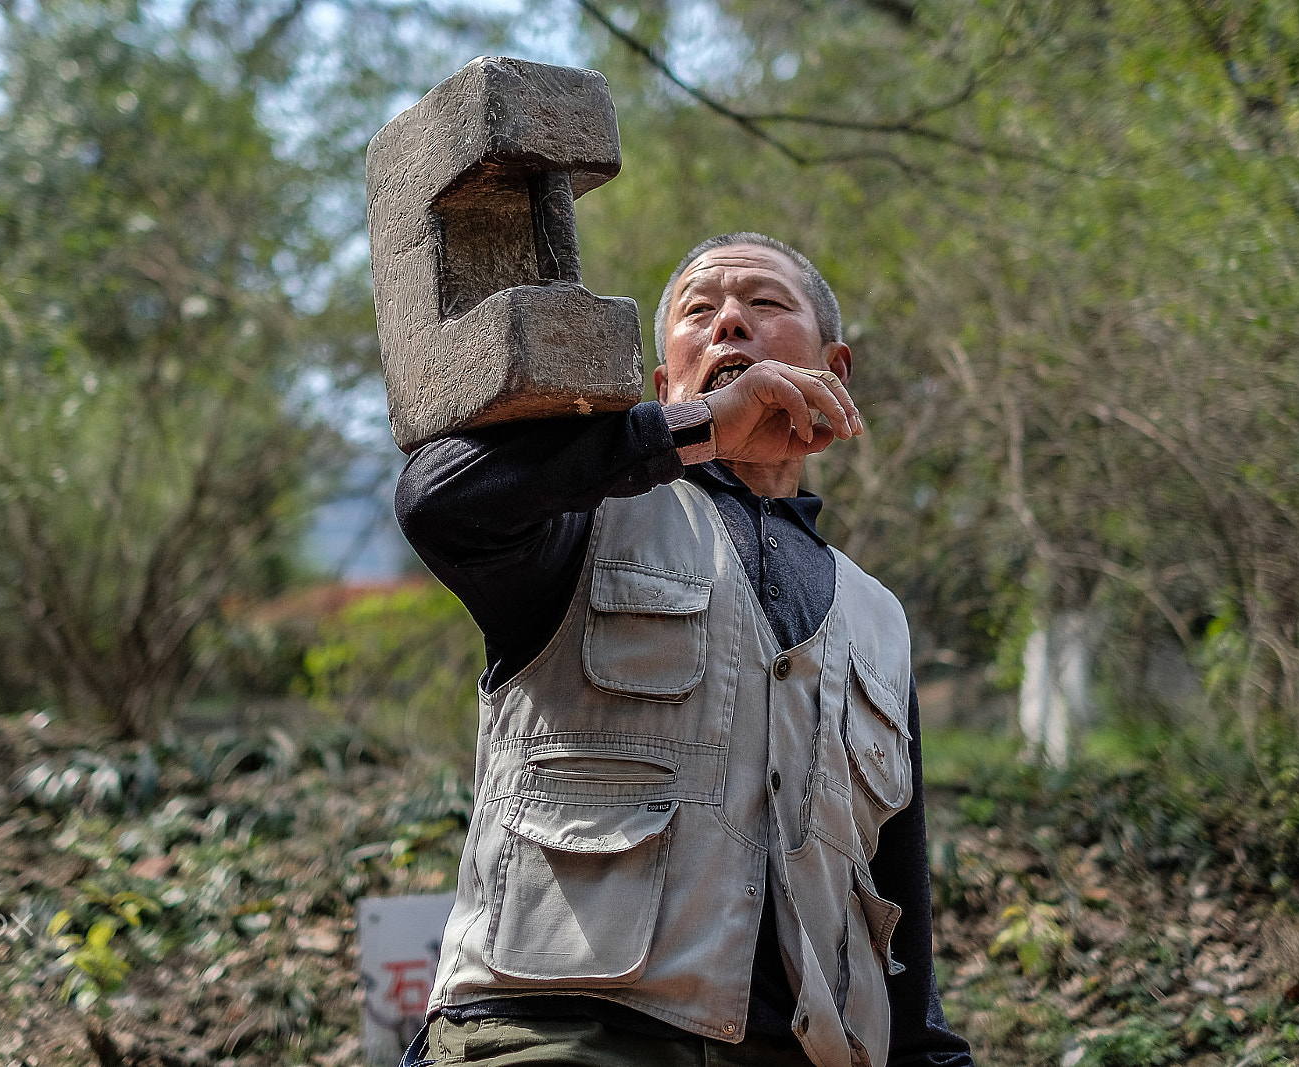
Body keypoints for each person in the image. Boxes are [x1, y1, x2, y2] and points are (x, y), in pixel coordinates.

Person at [394, 233, 974, 1067]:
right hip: (557, 1042)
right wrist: (694, 431)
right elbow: (438, 498)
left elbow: (903, 940)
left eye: (766, 304)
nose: (731, 320)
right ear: (665, 386)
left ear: (834, 371)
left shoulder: (878, 618)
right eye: (699, 311)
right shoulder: (578, 517)